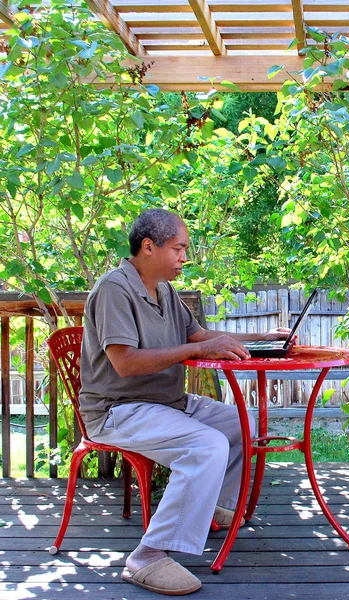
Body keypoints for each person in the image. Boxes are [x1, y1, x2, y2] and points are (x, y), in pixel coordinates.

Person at [79, 208, 289, 596]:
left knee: (242, 424)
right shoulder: (114, 289)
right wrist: (200, 348)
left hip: (167, 402)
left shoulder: (165, 290)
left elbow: (199, 336)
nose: (184, 258)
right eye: (178, 249)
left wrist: (264, 336)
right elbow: (124, 363)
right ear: (148, 247)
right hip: (117, 410)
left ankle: (217, 509)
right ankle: (147, 556)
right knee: (206, 445)